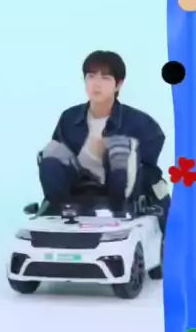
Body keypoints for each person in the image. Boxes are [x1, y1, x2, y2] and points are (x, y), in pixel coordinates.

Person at [38, 50, 171, 230]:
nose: (97, 84)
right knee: (52, 152)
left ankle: (119, 211)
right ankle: (58, 211)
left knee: (121, 151)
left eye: (105, 78)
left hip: (123, 195)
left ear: (118, 84)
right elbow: (58, 166)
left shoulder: (142, 123)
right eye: (91, 76)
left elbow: (148, 173)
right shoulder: (69, 118)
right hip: (78, 192)